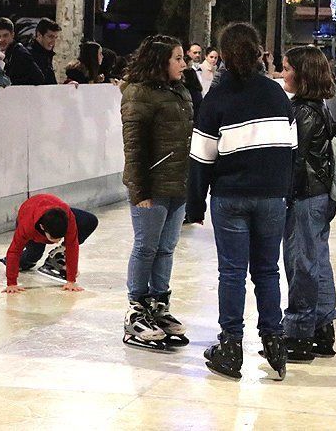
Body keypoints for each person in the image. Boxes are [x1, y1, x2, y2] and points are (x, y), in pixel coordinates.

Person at [187, 23, 296, 381]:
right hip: (271, 196)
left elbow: (201, 157)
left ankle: (231, 346)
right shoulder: (277, 94)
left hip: (231, 195)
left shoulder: (216, 99)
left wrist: (195, 206)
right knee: (267, 270)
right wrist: (285, 191)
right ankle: (275, 341)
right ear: (258, 51)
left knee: (232, 272)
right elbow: (290, 149)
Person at [120, 35, 194, 351]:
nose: (184, 64)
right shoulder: (138, 94)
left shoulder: (180, 91)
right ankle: (136, 308)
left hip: (178, 182)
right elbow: (133, 148)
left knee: (166, 248)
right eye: (178, 58)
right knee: (146, 246)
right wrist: (139, 190)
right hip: (152, 184)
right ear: (161, 61)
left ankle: (158, 305)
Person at [279, 45, 336, 362]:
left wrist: (283, 196)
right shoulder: (319, 106)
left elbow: (295, 160)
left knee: (301, 261)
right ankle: (321, 326)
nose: (282, 73)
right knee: (318, 258)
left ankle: (299, 331)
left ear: (302, 74)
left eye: (287, 68)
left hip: (305, 196)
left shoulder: (302, 112)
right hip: (319, 195)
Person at [0, 194, 98, 293]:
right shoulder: (27, 226)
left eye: (60, 237)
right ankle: (10, 261)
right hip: (30, 213)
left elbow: (72, 245)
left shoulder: (68, 218)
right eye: (53, 238)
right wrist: (11, 283)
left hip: (54, 210)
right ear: (42, 227)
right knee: (33, 255)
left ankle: (56, 256)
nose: (58, 241)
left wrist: (71, 280)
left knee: (89, 221)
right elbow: (14, 251)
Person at [0, 18, 45, 86]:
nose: (1, 39)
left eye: (5, 35)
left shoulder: (20, 52)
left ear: (12, 35)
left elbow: (39, 78)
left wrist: (12, 83)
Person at [27, 18, 61, 84]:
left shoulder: (46, 55)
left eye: (55, 37)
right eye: (50, 36)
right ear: (39, 35)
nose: (53, 42)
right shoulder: (29, 55)